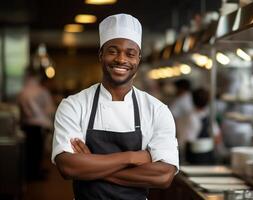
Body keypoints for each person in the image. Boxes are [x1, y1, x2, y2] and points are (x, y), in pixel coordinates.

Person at [52, 14, 179, 200]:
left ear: (139, 59)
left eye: (130, 53)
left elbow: (163, 176)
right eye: (113, 51)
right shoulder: (74, 105)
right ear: (100, 55)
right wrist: (132, 158)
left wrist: (91, 165)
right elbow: (68, 167)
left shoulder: (157, 110)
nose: (121, 59)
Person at [18, 68, 55, 180]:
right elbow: (50, 110)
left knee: (30, 152)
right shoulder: (41, 91)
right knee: (37, 152)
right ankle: (35, 174)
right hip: (39, 125)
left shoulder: (22, 92)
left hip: (26, 125)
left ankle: (31, 173)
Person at [185, 88, 221, 164]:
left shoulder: (189, 117)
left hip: (193, 155)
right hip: (206, 155)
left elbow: (185, 139)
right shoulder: (209, 117)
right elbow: (217, 138)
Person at [169, 79, 193, 162]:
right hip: (191, 133)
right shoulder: (191, 98)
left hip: (182, 133)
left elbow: (171, 117)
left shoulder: (180, 101)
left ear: (181, 89)